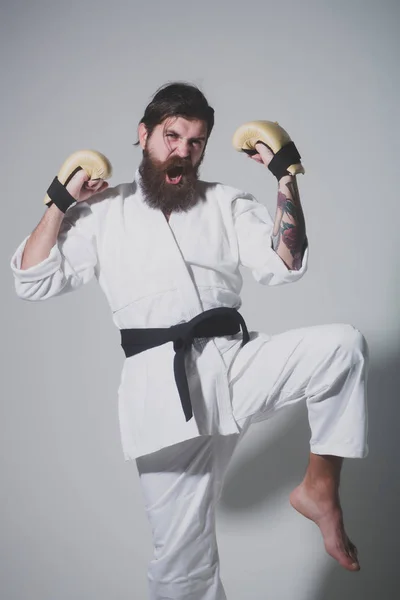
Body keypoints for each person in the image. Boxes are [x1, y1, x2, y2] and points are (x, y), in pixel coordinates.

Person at [10, 82, 369, 600]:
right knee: (183, 563)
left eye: (196, 142)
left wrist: (285, 175)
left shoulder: (225, 202)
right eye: (172, 136)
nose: (182, 151)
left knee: (342, 348)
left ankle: (318, 489)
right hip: (162, 393)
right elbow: (31, 280)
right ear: (145, 135)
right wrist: (61, 203)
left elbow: (285, 264)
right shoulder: (102, 212)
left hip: (234, 361)